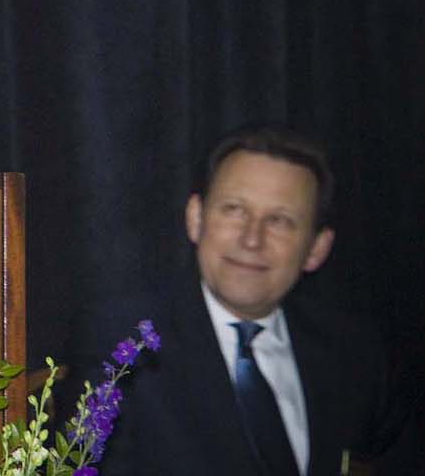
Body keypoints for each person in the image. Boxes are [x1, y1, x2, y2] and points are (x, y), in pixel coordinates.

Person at [72, 123, 409, 475]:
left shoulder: (354, 353)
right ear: (196, 219)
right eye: (234, 210)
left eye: (279, 220)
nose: (252, 239)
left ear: (316, 248)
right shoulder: (122, 344)